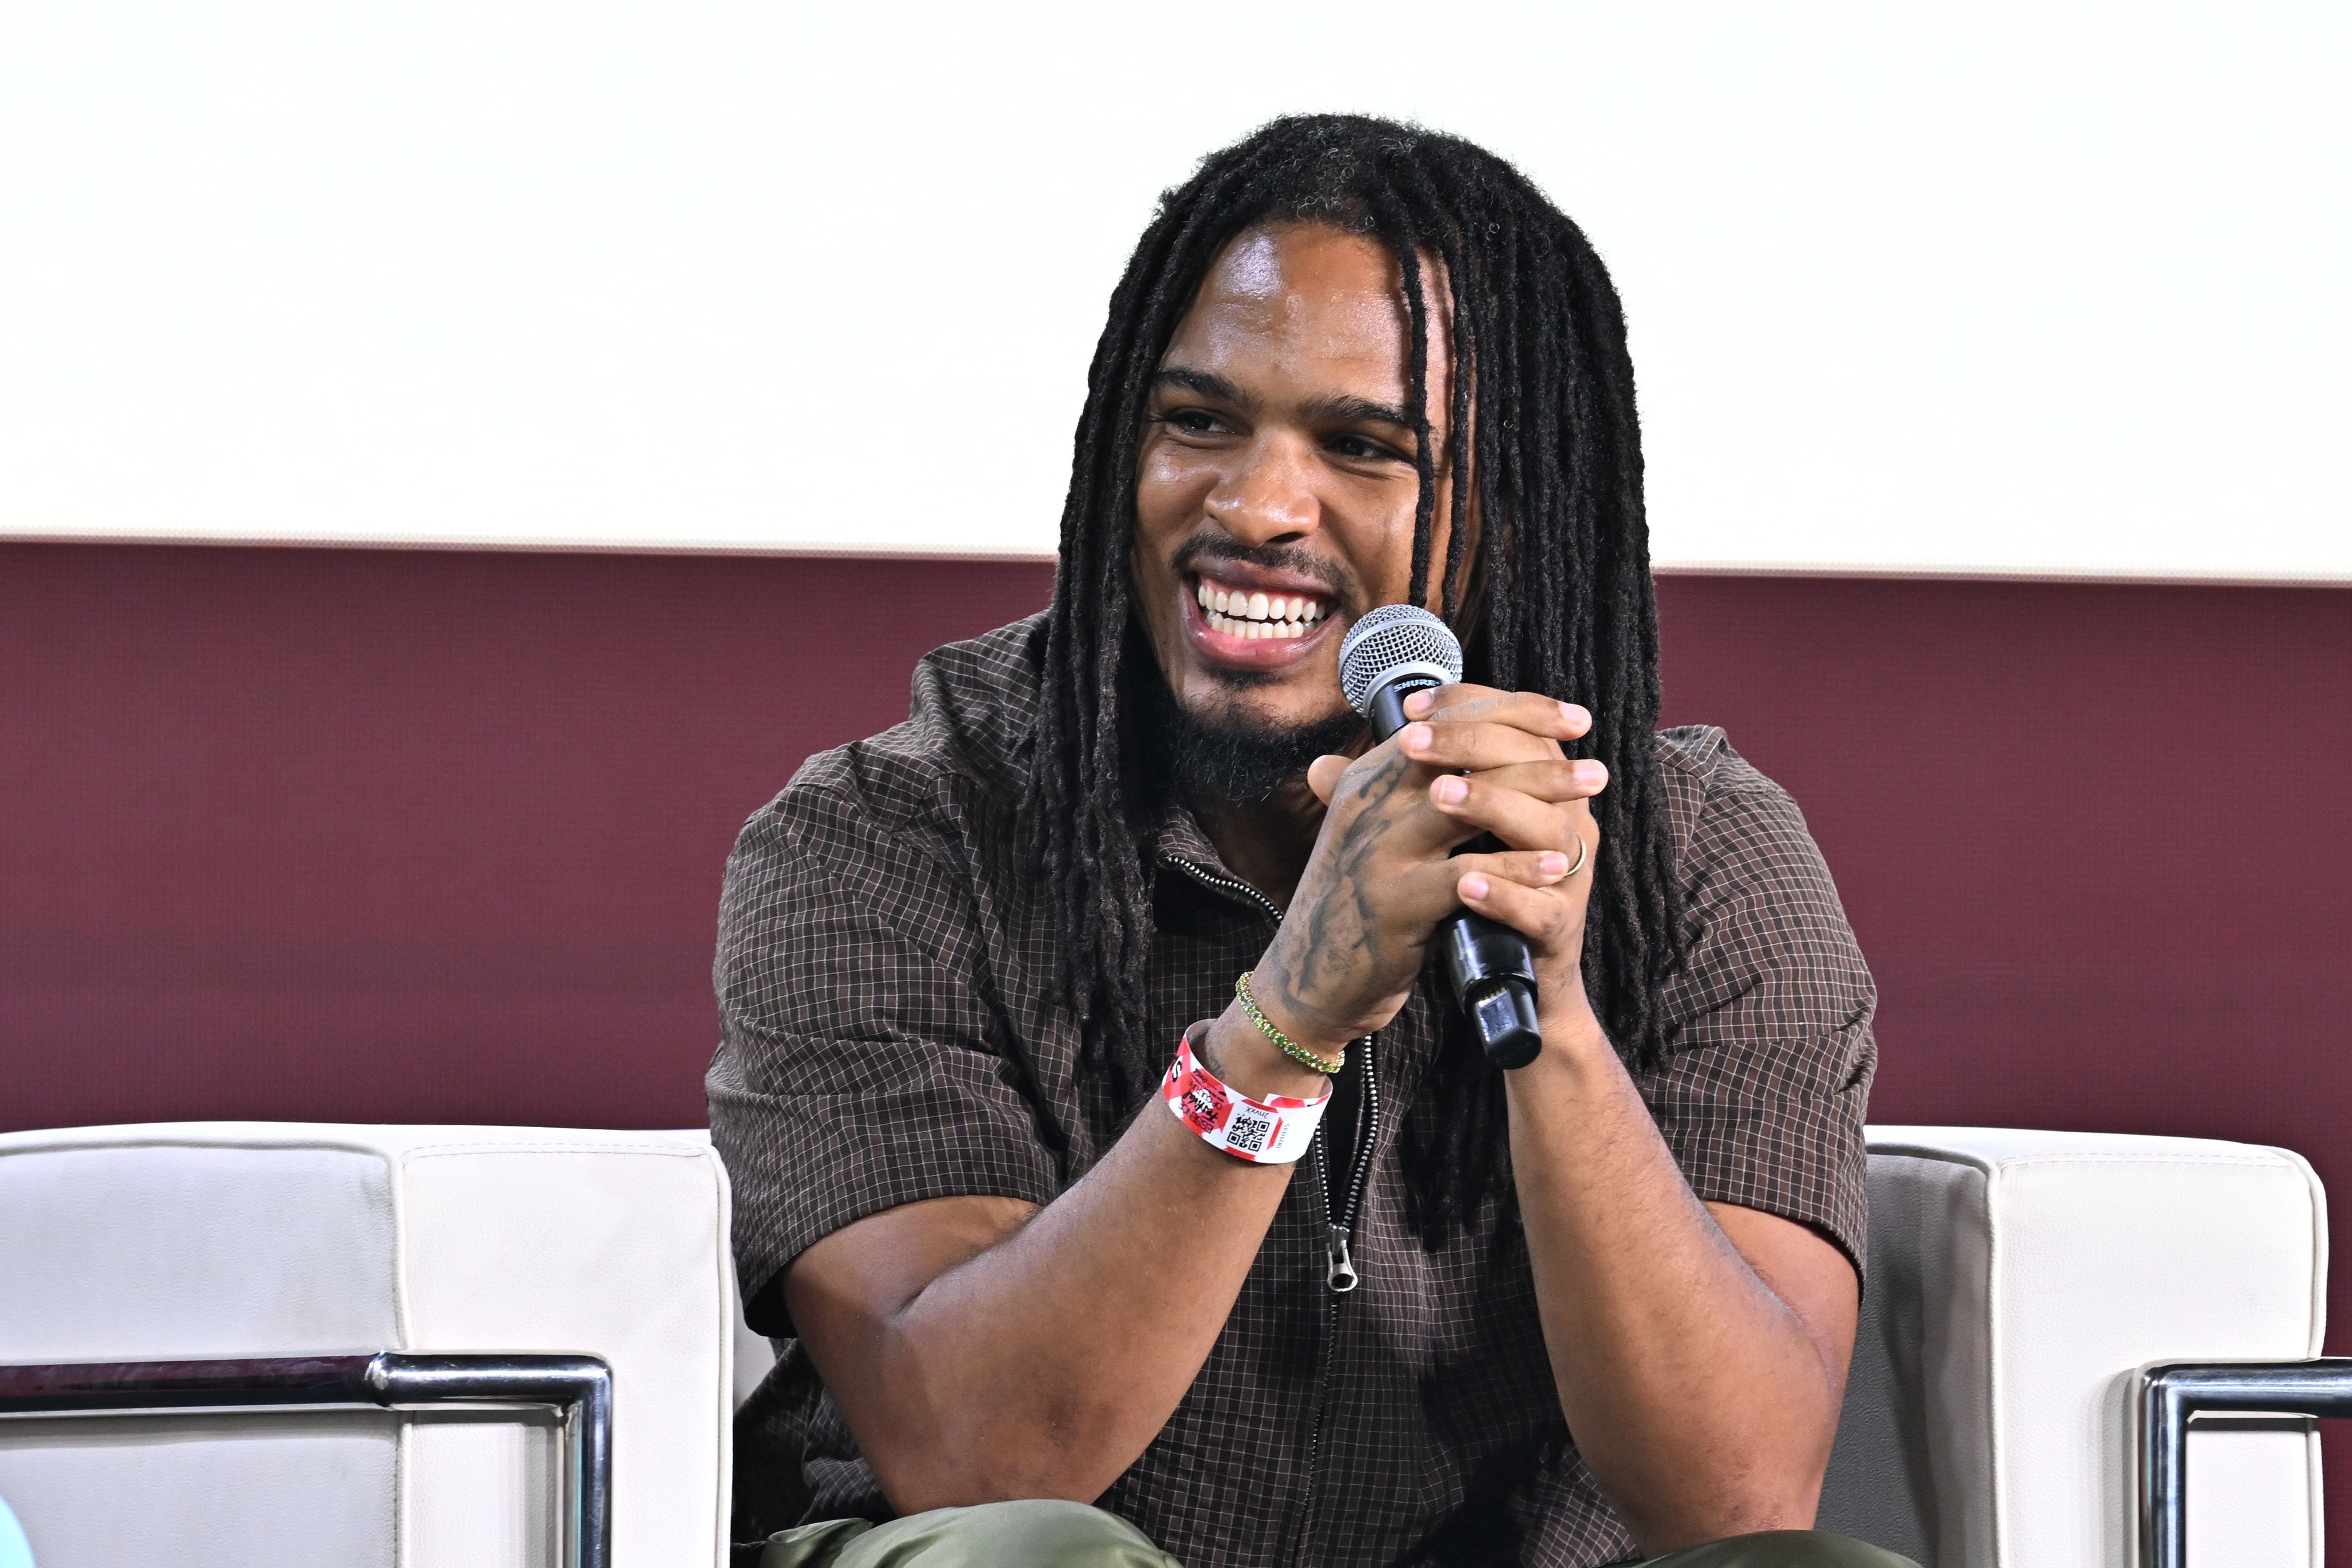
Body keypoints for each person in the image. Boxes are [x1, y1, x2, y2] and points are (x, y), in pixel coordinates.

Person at [709, 115, 1907, 1568]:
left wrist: (1558, 1018)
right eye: (1198, 422)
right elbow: (982, 1460)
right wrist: (1289, 1017)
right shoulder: (893, 838)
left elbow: (1736, 1508)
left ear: (1517, 512)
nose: (1256, 506)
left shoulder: (1700, 860)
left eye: (1362, 447)